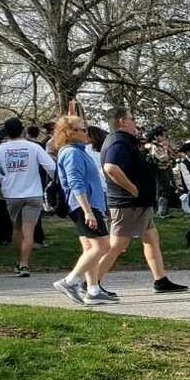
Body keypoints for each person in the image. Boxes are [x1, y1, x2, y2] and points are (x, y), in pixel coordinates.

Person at [97, 106, 188, 295]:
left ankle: (160, 280)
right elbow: (111, 167)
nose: (135, 122)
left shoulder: (123, 140)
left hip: (138, 203)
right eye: (132, 119)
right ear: (122, 121)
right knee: (117, 245)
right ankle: (89, 282)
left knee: (151, 238)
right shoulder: (118, 141)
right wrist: (133, 189)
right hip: (127, 204)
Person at [49, 113, 114, 304]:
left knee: (90, 248)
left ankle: (93, 290)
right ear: (70, 132)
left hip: (88, 203)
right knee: (103, 245)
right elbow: (75, 182)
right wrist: (87, 211)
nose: (87, 133)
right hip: (83, 204)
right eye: (83, 130)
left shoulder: (79, 151)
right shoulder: (71, 153)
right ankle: (70, 281)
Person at [0, 117, 57, 277]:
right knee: (29, 230)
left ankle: (19, 263)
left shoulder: (0, 149)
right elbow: (51, 167)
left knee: (17, 229)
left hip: (12, 194)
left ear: (6, 132)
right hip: (34, 194)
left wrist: (4, 180)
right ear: (23, 130)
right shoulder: (34, 147)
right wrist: (56, 183)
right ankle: (25, 264)